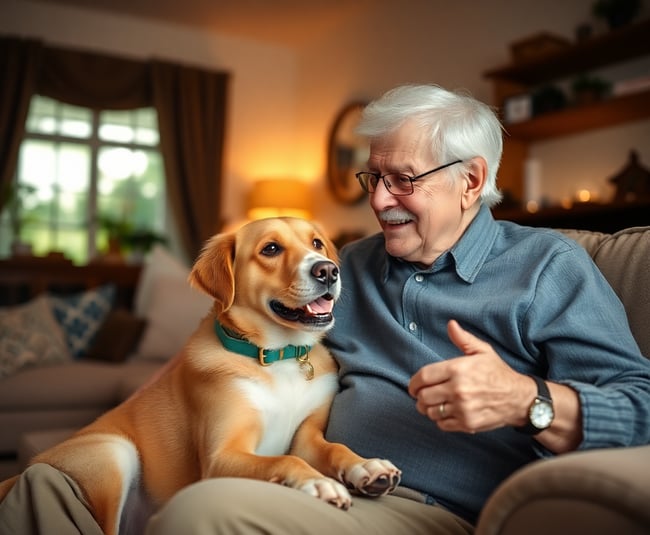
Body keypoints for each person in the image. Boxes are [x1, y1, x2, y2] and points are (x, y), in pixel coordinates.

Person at [1, 84, 649, 535]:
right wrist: (140, 410)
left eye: (405, 180)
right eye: (374, 178)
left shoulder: (548, 267)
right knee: (42, 486)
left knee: (201, 512)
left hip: (431, 507)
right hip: (318, 480)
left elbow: (640, 405)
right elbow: (233, 338)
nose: (381, 199)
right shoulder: (349, 264)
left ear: (471, 180)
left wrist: (525, 399)